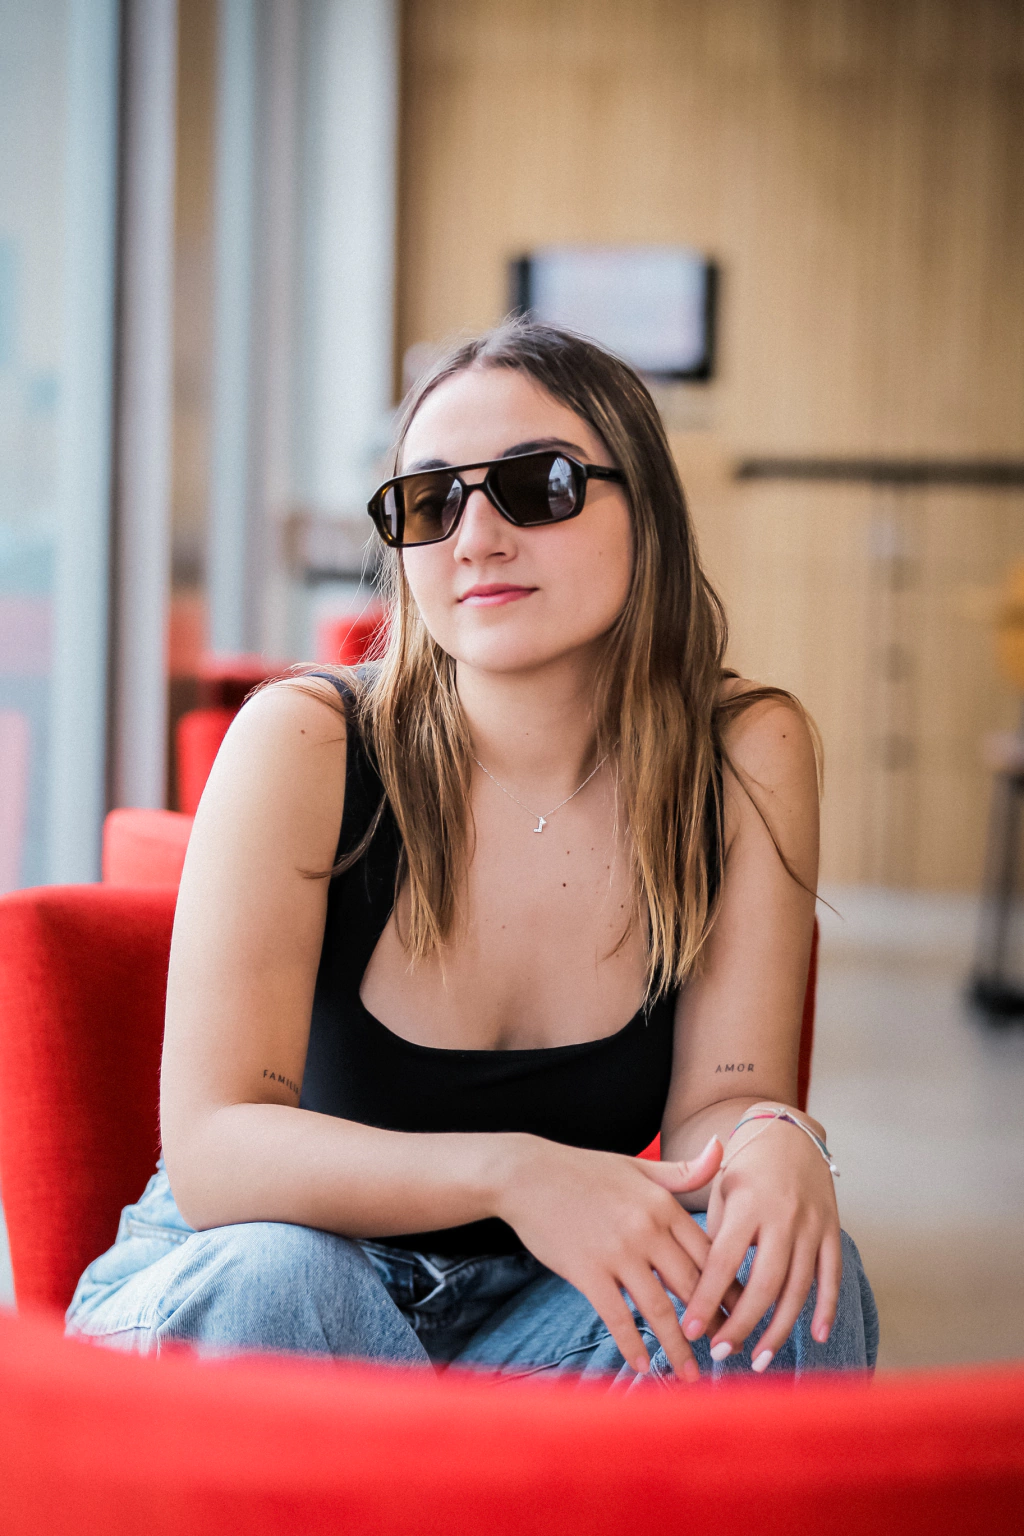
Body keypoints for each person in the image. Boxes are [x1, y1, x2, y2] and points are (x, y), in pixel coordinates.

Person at [67, 320, 877, 1384]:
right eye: (429, 502)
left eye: (538, 486)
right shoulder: (307, 741)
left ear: (646, 509)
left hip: (540, 1309)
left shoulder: (742, 753)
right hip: (248, 1283)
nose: (476, 538)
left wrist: (772, 1137)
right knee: (285, 1282)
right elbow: (216, 1153)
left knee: (788, 1293)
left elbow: (722, 1100)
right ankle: (444, 1467)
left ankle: (427, 1465)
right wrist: (516, 1175)